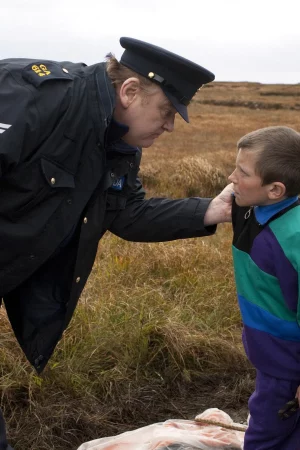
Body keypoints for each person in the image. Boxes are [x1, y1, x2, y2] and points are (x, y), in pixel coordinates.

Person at [0, 37, 232, 449]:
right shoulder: (26, 96)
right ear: (129, 92)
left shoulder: (117, 142)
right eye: (166, 112)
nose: (169, 126)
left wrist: (210, 210)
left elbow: (126, 213)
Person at [228, 125, 300, 450]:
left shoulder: (292, 241)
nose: (230, 177)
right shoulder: (252, 207)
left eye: (241, 172)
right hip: (270, 353)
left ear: (275, 189)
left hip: (285, 364)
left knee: (263, 437)